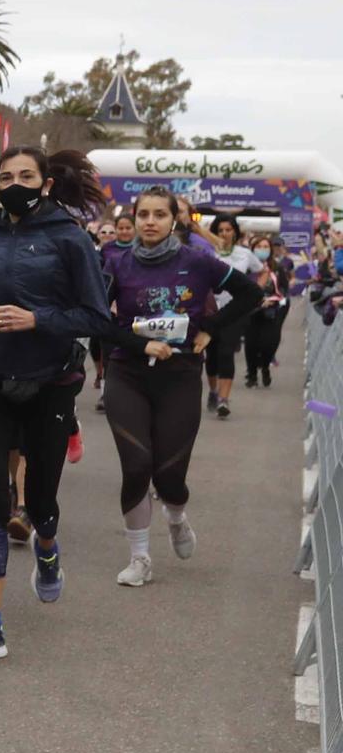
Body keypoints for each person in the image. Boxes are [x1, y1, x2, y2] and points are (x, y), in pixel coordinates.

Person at [0, 146, 110, 666]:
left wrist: (39, 321)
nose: (16, 183)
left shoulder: (70, 239)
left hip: (51, 384)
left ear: (46, 184)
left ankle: (49, 545)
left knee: (39, 503)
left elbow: (97, 319)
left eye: (26, 175)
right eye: (7, 176)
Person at [102, 186, 262, 587]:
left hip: (180, 376)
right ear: (134, 220)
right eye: (143, 215)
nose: (150, 222)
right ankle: (139, 558)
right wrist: (140, 343)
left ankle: (176, 517)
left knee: (169, 475)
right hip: (128, 373)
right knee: (137, 465)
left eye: (159, 214)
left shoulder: (199, 261)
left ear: (174, 220)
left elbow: (251, 294)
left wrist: (210, 328)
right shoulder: (117, 264)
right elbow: (96, 320)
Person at [204, 214, 257, 418]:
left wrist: (255, 292)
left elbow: (262, 271)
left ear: (235, 231)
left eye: (228, 229)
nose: (225, 234)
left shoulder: (245, 254)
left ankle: (224, 400)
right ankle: (213, 391)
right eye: (220, 230)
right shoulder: (209, 253)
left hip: (234, 311)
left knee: (227, 352)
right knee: (212, 355)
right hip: (211, 310)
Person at [243, 233, 292, 388]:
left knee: (269, 344)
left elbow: (284, 288)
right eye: (259, 247)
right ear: (252, 249)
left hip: (272, 312)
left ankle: (265, 367)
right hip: (251, 312)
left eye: (265, 247)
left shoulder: (277, 268)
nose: (262, 250)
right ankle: (251, 375)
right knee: (251, 344)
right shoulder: (247, 267)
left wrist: (273, 299)